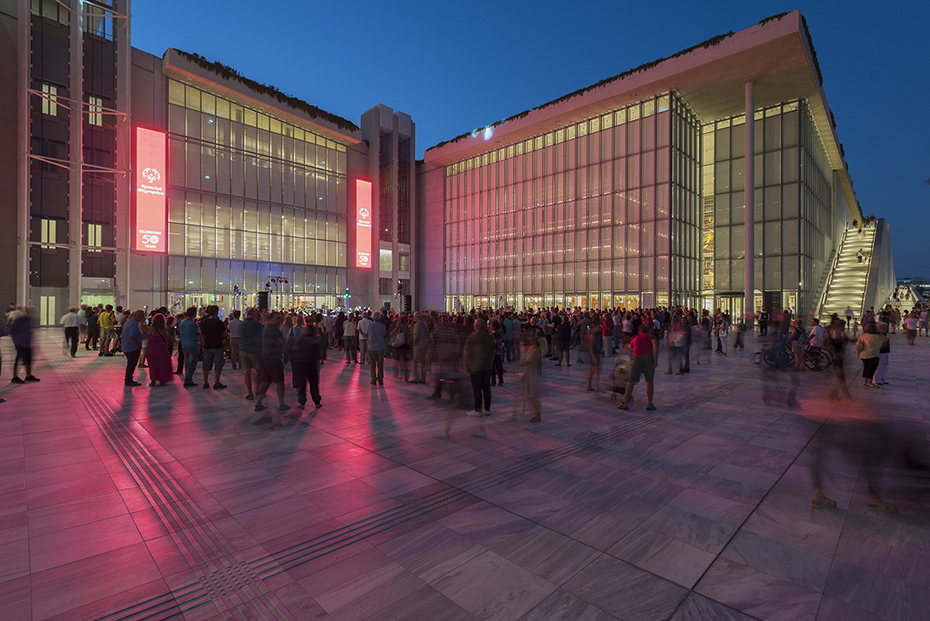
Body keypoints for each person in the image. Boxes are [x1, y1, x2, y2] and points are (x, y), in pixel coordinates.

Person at [253, 312, 289, 425]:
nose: (279, 320)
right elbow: (284, 344)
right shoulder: (275, 331)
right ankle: (282, 403)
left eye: (280, 318)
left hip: (265, 359)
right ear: (271, 319)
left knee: (267, 381)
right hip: (274, 359)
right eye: (277, 318)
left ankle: (258, 403)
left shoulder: (266, 329)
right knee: (280, 382)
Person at [617, 323, 658, 411]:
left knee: (631, 381)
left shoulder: (637, 337)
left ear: (640, 331)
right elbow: (655, 345)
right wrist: (656, 359)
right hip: (648, 358)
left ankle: (625, 403)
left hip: (637, 359)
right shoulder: (651, 337)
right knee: (649, 382)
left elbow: (629, 346)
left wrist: (624, 346)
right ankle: (650, 403)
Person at [293, 323, 322, 410]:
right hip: (312, 364)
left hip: (302, 363)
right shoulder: (316, 339)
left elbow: (297, 348)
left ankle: (302, 403)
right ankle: (317, 402)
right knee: (314, 384)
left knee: (302, 384)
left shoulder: (302, 339)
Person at [200, 305, 227, 389]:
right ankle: (217, 382)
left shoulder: (204, 322)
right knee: (218, 364)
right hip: (218, 345)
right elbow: (224, 333)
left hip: (207, 345)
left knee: (206, 364)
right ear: (217, 312)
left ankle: (205, 382)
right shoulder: (219, 323)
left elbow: (201, 333)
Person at [239, 308, 263, 400]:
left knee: (247, 373)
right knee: (258, 372)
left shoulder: (241, 325)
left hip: (244, 349)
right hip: (255, 349)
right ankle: (258, 390)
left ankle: (250, 392)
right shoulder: (257, 324)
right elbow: (261, 334)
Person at [10, 308, 39, 384]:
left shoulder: (29, 320)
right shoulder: (18, 320)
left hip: (28, 344)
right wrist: (17, 339)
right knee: (18, 360)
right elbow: (12, 330)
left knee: (28, 360)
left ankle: (28, 375)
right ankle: (15, 377)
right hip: (21, 344)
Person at [518, 332, 543, 422]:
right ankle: (536, 412)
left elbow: (538, 363)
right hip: (529, 373)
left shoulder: (537, 350)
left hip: (533, 373)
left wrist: (528, 362)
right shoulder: (531, 348)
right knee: (530, 395)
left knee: (533, 395)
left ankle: (537, 414)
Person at [145, 313, 173, 387]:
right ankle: (162, 380)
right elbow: (166, 338)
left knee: (152, 366)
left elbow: (147, 337)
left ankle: (153, 381)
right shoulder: (165, 329)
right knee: (162, 366)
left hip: (151, 349)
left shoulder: (150, 329)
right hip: (162, 349)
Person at [856, 323, 884, 388]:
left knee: (866, 367)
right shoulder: (877, 337)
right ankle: (870, 382)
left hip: (863, 355)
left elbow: (858, 345)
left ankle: (865, 381)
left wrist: (858, 353)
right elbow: (879, 346)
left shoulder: (862, 336)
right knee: (871, 369)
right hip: (873, 355)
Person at [121, 309, 145, 387]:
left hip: (126, 346)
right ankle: (128, 380)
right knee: (132, 364)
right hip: (132, 348)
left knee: (130, 364)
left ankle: (128, 379)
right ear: (139, 316)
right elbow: (132, 336)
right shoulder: (134, 324)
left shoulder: (127, 322)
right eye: (143, 316)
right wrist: (137, 345)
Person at [367, 312, 387, 386]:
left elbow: (368, 334)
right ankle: (380, 379)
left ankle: (373, 379)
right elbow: (384, 334)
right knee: (380, 364)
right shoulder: (382, 326)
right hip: (380, 346)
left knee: (372, 364)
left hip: (372, 346)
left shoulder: (370, 326)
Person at [585, 317, 602, 391]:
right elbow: (590, 347)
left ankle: (589, 386)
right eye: (599, 326)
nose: (600, 327)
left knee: (591, 371)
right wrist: (594, 356)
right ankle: (596, 387)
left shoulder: (591, 333)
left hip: (594, 353)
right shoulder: (593, 335)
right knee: (596, 370)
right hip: (594, 353)